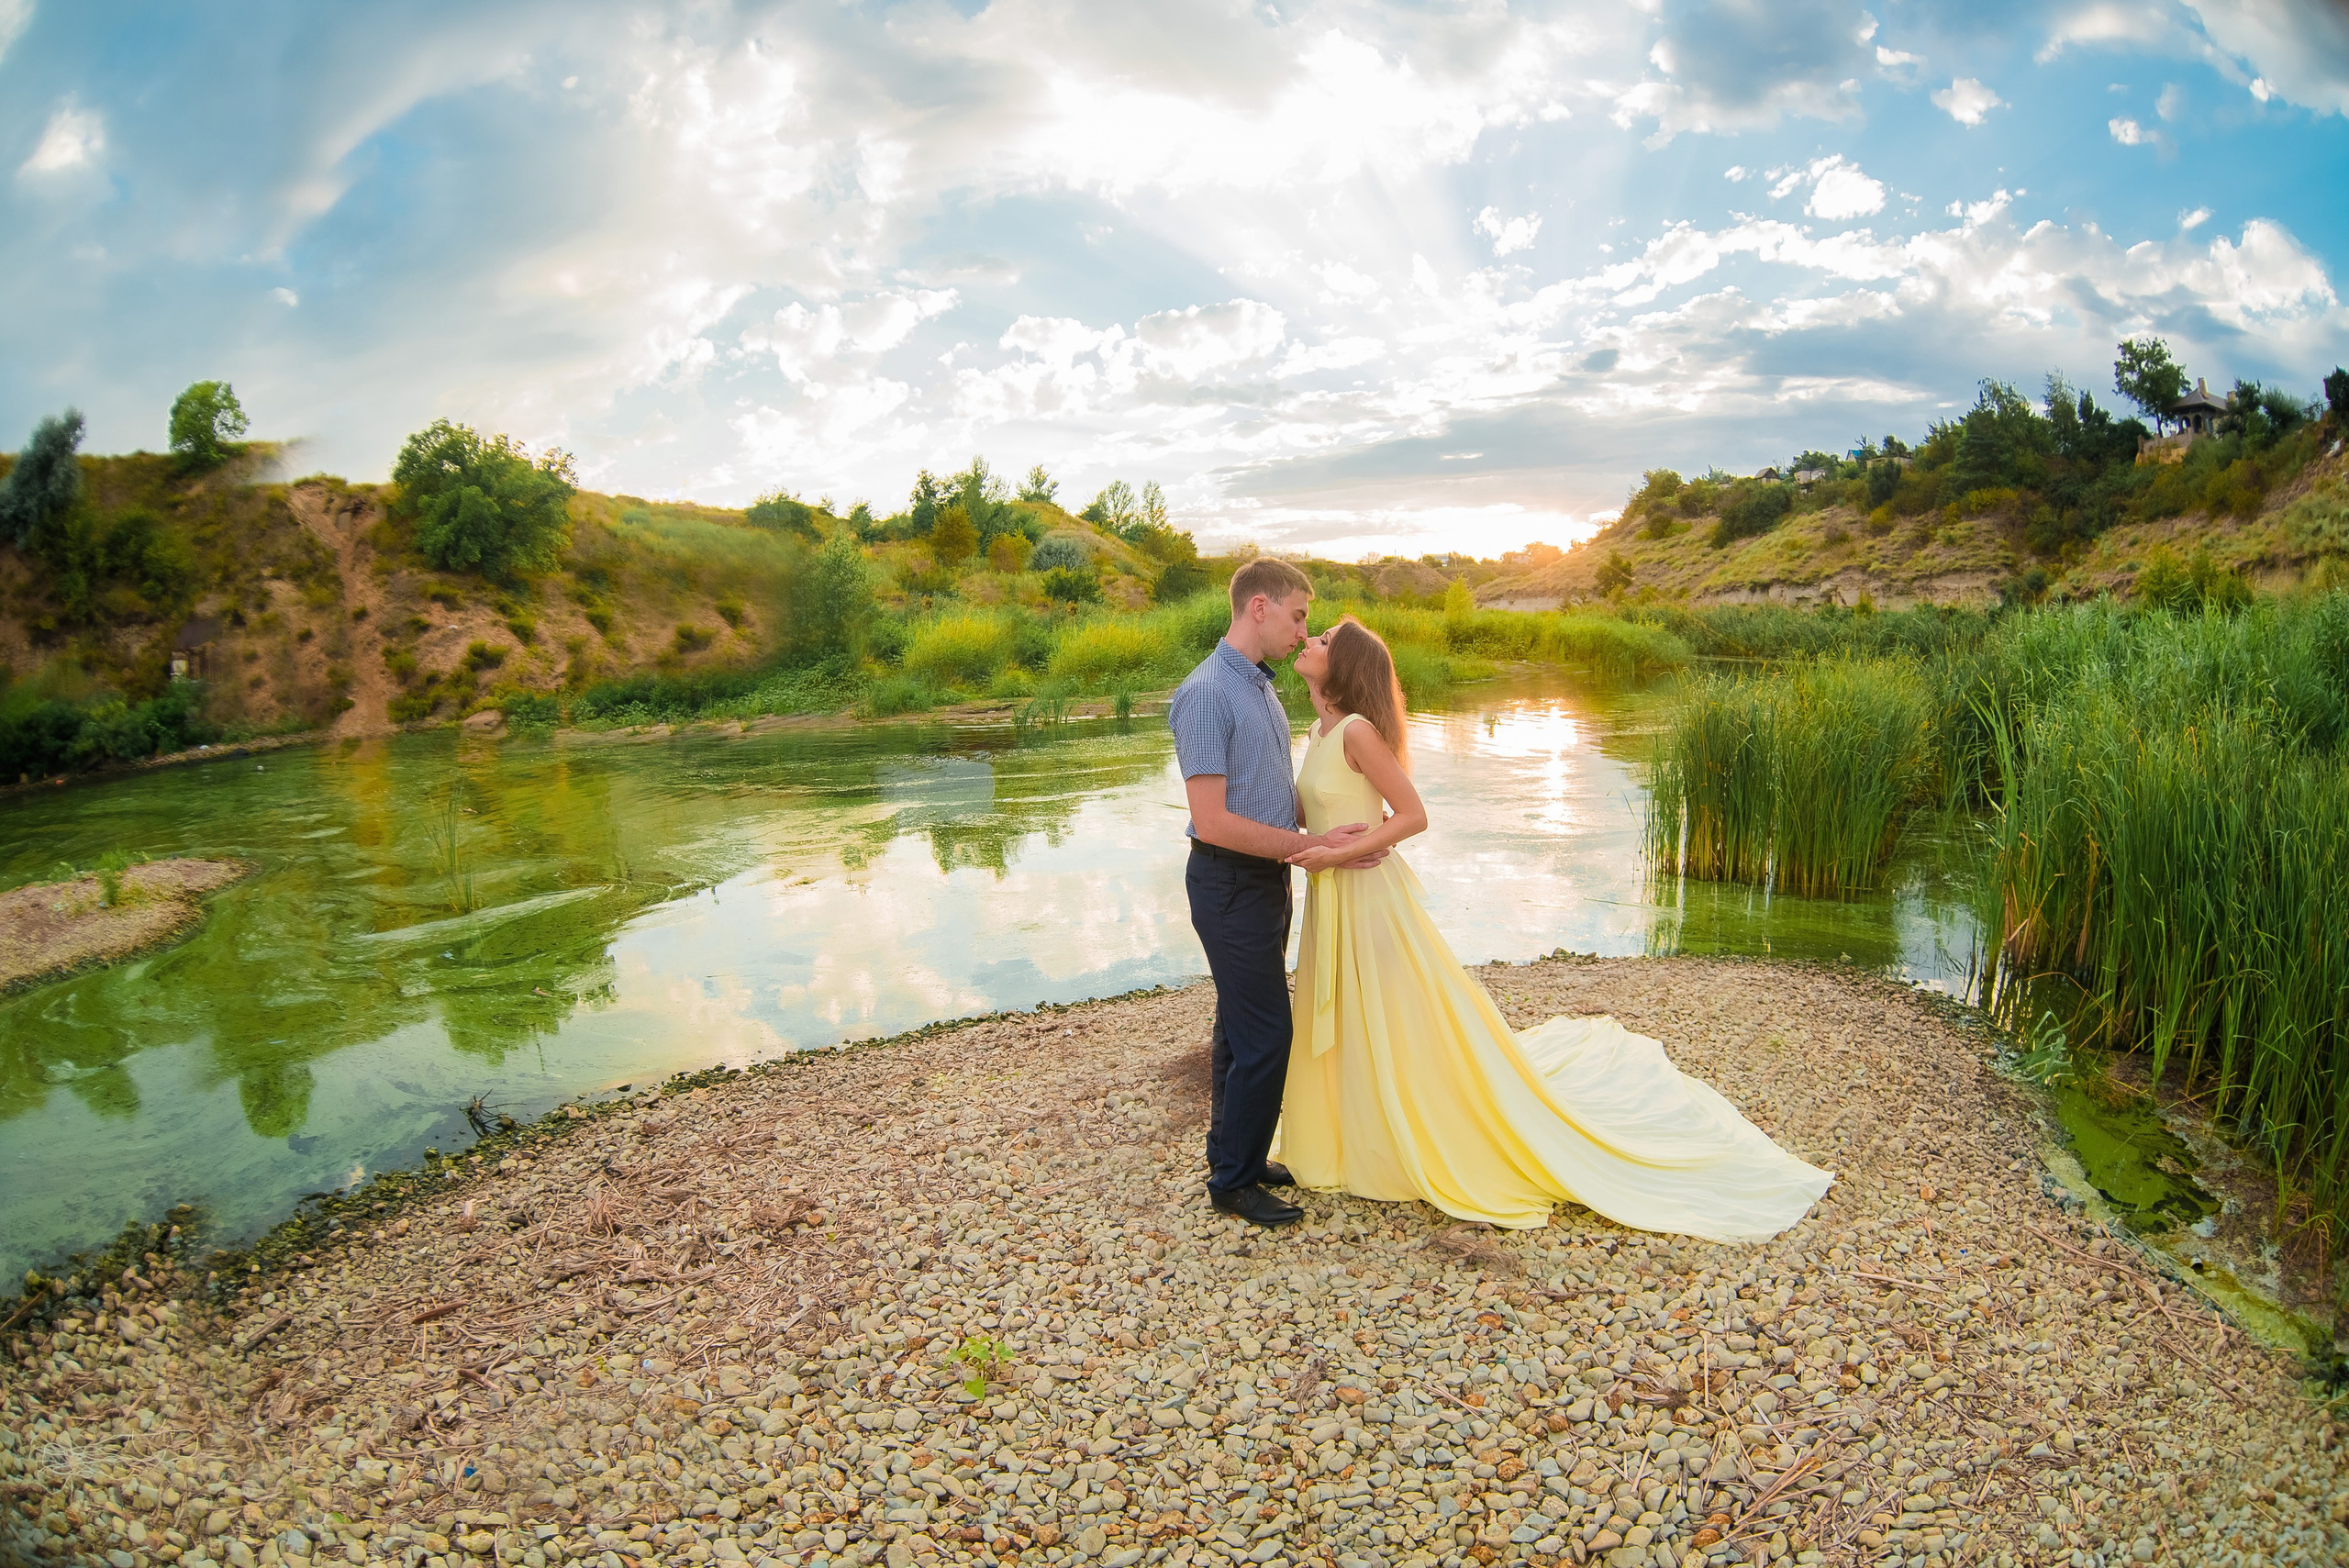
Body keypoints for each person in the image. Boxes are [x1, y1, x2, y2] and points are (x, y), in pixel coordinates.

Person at [1277, 617, 1833, 1242]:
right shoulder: (1320, 731)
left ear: (1344, 667)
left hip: (1366, 897)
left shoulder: (1356, 731)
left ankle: (1403, 1130)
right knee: (1350, 1013)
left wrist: (1339, 853)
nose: (1310, 642)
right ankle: (1350, 1133)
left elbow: (1413, 815)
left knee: (1391, 1012)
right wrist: (1306, 839)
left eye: (1322, 640)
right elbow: (1319, 810)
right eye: (1313, 634)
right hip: (1331, 896)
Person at [1167, 559, 1382, 1229]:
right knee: (1267, 1034)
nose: (1303, 631)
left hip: (1264, 878)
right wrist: (1309, 850)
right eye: (1298, 617)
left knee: (1238, 1024)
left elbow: (1266, 794)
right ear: (1258, 607)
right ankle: (1233, 1183)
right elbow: (1214, 821)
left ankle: (1239, 1155)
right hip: (1229, 881)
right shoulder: (1205, 694)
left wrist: (1326, 829)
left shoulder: (1259, 688)